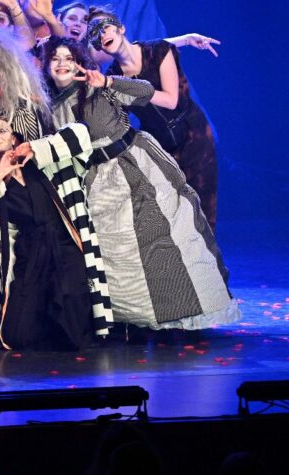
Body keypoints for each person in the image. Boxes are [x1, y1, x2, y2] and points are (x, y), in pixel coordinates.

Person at [41, 36, 238, 330]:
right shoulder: (48, 104)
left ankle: (178, 311)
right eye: (55, 59)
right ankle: (127, 318)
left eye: (69, 58)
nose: (62, 64)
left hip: (133, 167)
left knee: (159, 239)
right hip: (94, 180)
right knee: (114, 251)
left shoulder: (100, 86)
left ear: (79, 63)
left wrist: (108, 83)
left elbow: (146, 91)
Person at [0, 115, 109, 350]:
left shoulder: (44, 162)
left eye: (1, 131)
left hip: (64, 244)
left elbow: (82, 134)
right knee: (16, 334)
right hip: (31, 254)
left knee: (72, 325)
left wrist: (36, 147)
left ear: (13, 137)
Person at [88, 13, 220, 227]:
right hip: (160, 145)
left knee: (203, 211)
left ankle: (209, 249)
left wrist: (116, 84)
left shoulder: (157, 52)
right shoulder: (113, 76)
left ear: (121, 28)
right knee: (173, 214)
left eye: (105, 28)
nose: (102, 35)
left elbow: (170, 101)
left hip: (193, 134)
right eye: (95, 35)